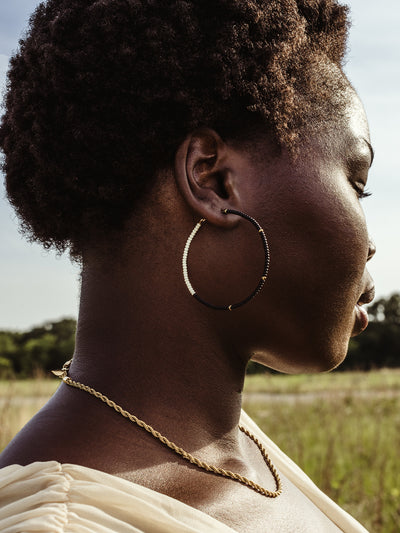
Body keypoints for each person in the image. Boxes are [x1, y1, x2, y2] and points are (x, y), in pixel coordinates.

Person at [0, 0, 375, 531]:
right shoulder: (68, 522)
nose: (370, 244)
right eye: (358, 184)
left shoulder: (233, 446)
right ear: (214, 181)